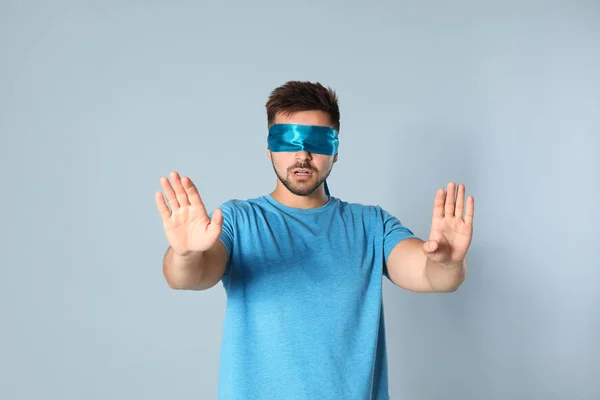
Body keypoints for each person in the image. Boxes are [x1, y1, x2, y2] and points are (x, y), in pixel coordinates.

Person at [155, 81, 475, 399]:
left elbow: (431, 274)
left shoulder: (371, 225)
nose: (303, 154)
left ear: (335, 151)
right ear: (269, 149)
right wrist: (185, 254)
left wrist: (447, 262)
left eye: (318, 142)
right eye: (288, 140)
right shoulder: (238, 220)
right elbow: (190, 275)